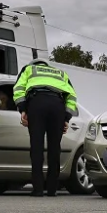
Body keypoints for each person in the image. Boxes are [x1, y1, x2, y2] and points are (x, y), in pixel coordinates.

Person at [13, 58, 78, 197]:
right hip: (57, 105)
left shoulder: (29, 69)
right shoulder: (60, 72)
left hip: (37, 103)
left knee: (37, 147)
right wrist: (66, 117)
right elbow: (72, 95)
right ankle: (52, 189)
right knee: (55, 148)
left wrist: (23, 109)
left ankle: (37, 189)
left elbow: (18, 88)